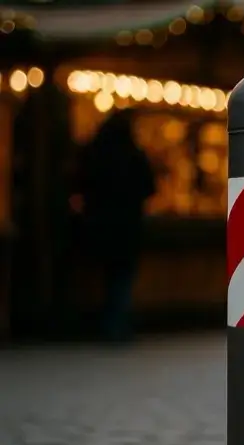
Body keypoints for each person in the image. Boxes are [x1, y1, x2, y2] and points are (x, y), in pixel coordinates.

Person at [78, 109, 155, 343]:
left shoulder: (96, 152)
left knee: (108, 276)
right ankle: (117, 324)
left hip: (99, 226)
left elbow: (81, 183)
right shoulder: (133, 154)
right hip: (128, 227)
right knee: (122, 277)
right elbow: (149, 187)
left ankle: (107, 323)